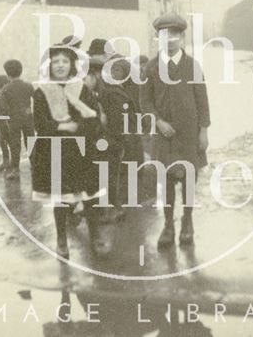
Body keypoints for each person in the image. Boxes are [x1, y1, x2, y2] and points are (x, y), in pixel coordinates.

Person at [140, 13, 211, 249]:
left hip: (189, 134)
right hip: (163, 135)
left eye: (174, 34)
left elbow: (202, 101)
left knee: (189, 178)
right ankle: (168, 225)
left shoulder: (192, 66)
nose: (169, 39)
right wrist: (158, 122)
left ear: (181, 37)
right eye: (164, 35)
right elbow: (145, 102)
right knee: (167, 180)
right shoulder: (151, 67)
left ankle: (187, 222)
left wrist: (203, 131)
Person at [31, 45, 107, 258]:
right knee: (62, 198)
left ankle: (95, 235)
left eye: (64, 61)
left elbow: (92, 117)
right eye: (56, 62)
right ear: (50, 66)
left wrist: (79, 128)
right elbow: (40, 123)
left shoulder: (81, 88)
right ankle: (61, 239)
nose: (60, 65)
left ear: (72, 65)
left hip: (82, 149)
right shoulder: (41, 91)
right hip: (55, 150)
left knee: (89, 196)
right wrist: (63, 127)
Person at [84, 50, 144, 223]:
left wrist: (109, 135)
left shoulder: (110, 93)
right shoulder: (102, 92)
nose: (83, 82)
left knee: (110, 174)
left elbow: (121, 123)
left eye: (85, 78)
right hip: (114, 141)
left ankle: (115, 209)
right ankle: (112, 208)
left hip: (119, 142)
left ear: (95, 75)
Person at [0, 59, 36, 180]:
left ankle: (15, 169)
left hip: (14, 120)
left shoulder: (5, 89)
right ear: (21, 71)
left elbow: (2, 108)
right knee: (30, 141)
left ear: (7, 73)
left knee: (15, 144)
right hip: (28, 118)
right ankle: (34, 165)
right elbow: (38, 99)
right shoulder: (28, 86)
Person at [0, 75, 12, 172]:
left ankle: (13, 163)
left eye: (1, 87)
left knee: (12, 143)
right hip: (2, 126)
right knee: (2, 143)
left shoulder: (10, 97)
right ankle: (6, 161)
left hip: (10, 125)